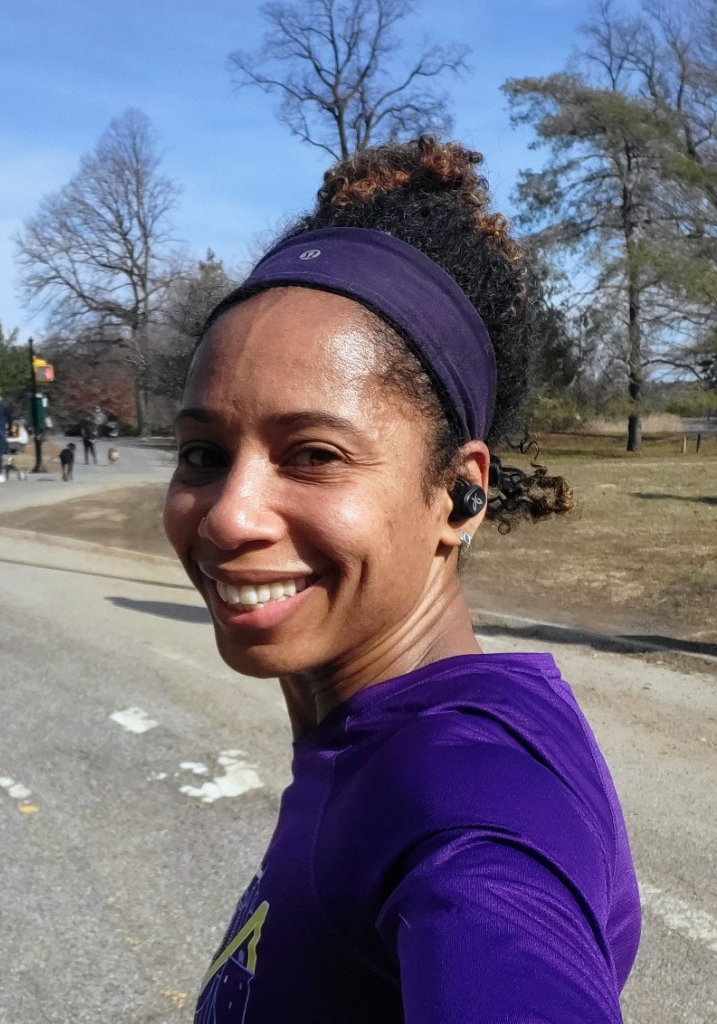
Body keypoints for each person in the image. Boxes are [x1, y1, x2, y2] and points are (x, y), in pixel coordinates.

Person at [163, 137, 640, 1023]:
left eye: (313, 454)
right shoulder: (370, 738)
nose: (228, 516)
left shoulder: (467, 807)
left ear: (459, 495)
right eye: (202, 454)